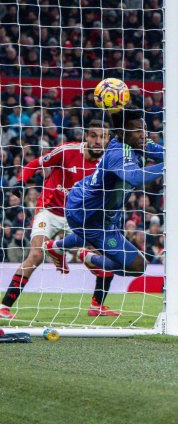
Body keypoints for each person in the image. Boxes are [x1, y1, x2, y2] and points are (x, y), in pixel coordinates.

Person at [46, 110, 178, 280]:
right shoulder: (118, 153)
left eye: (144, 129)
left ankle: (58, 248)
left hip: (99, 207)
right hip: (85, 212)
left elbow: (172, 155)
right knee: (137, 266)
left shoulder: (142, 143)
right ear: (121, 133)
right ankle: (88, 257)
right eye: (137, 130)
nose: (143, 134)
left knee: (92, 236)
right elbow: (135, 177)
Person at [0, 121, 108, 319]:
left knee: (104, 255)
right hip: (49, 210)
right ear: (86, 136)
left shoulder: (106, 163)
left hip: (76, 216)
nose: (98, 141)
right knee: (36, 255)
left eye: (102, 137)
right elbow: (34, 164)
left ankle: (97, 305)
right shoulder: (66, 151)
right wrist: (20, 182)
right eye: (93, 135)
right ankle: (4, 306)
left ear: (108, 139)